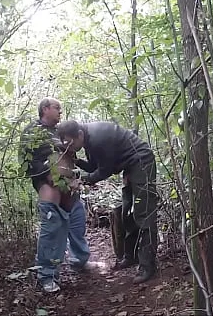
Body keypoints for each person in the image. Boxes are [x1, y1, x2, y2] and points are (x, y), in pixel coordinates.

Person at [56, 120, 159, 284]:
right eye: (65, 142)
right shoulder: (88, 139)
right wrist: (76, 162)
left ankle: (148, 265)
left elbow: (105, 170)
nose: (68, 145)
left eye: (70, 142)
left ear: (80, 135)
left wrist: (82, 180)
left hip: (141, 161)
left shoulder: (97, 138)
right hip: (130, 166)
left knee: (144, 212)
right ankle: (131, 257)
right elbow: (93, 167)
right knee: (127, 212)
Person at [19, 97, 90, 293]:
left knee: (78, 224)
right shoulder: (32, 132)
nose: (60, 111)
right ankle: (47, 276)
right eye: (57, 108)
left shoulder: (60, 132)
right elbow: (28, 163)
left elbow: (71, 154)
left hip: (70, 191)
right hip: (50, 191)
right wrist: (48, 177)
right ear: (45, 109)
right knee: (52, 233)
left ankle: (80, 261)